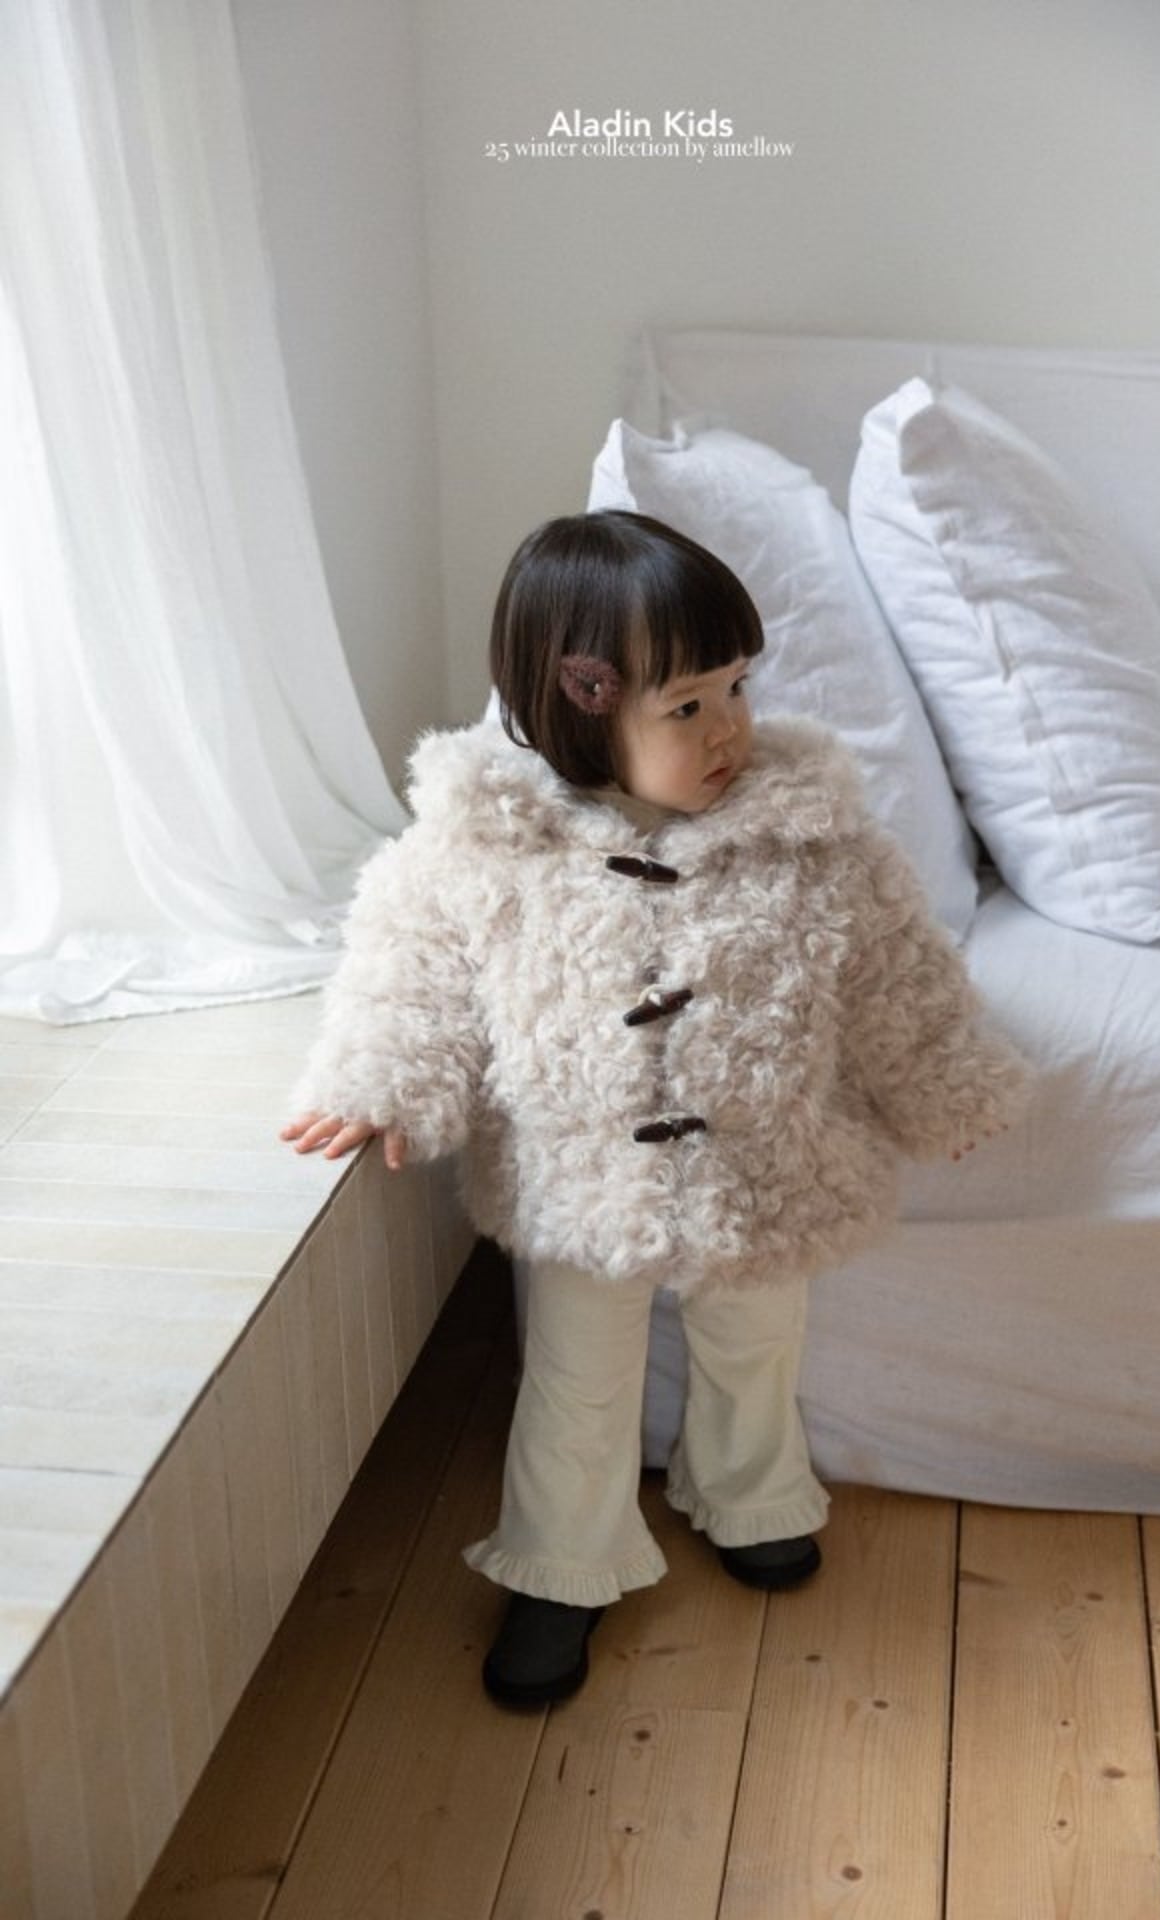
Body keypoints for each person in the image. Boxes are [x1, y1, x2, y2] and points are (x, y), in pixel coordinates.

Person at [280, 509, 1029, 1709]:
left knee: (755, 1343)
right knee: (576, 1378)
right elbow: (405, 967)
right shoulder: (485, 843)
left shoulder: (810, 835)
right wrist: (376, 1081)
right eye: (686, 705)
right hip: (586, 1175)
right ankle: (559, 1562)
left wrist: (943, 1079)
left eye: (736, 687)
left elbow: (896, 967)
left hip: (764, 1158)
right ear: (579, 706)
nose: (728, 725)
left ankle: (750, 1494)